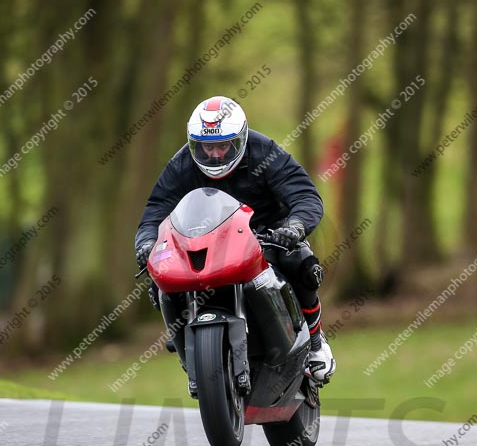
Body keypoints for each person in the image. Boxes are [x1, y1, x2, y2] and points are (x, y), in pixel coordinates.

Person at [135, 95, 335, 384]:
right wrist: (146, 243)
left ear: (240, 139)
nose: (215, 155)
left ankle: (317, 344)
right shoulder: (181, 164)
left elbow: (304, 195)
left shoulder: (265, 151)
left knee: (300, 260)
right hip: (203, 240)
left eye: (223, 145)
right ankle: (185, 347)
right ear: (195, 143)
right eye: (207, 147)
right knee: (160, 276)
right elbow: (155, 211)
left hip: (265, 234)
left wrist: (294, 227)